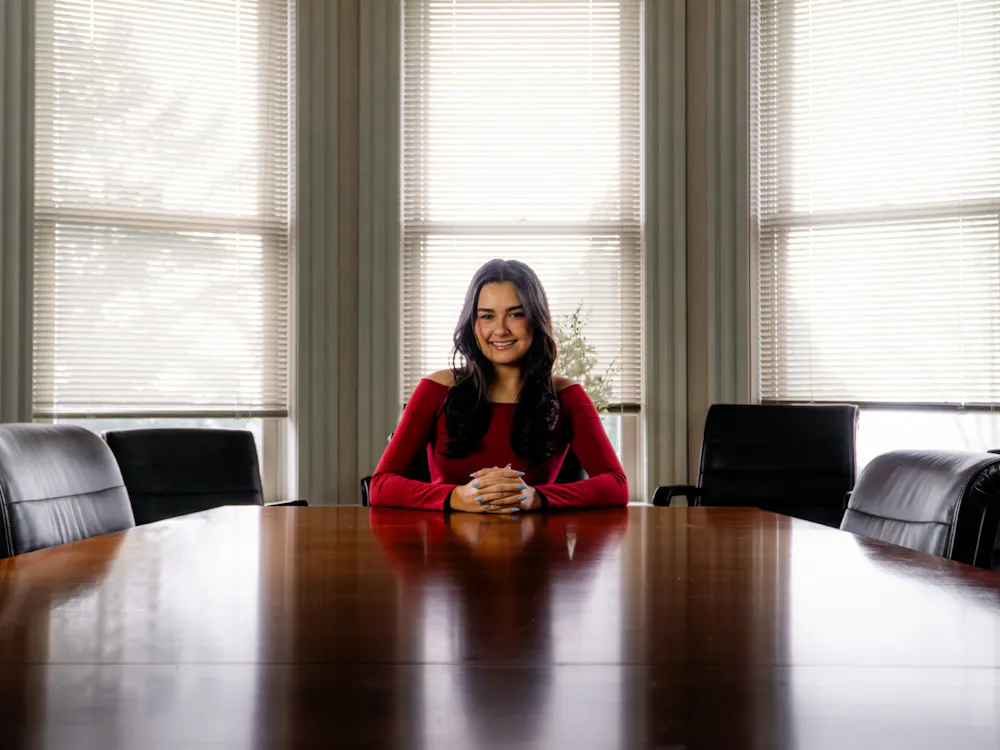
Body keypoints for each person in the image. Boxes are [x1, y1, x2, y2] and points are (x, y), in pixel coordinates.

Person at [370, 258, 629, 512]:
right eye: (487, 316)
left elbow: (616, 486)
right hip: (447, 547)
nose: (501, 329)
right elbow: (381, 486)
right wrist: (456, 497)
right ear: (472, 324)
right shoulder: (436, 389)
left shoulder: (567, 395)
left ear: (536, 319)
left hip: (539, 549)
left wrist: (534, 496)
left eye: (516, 314)